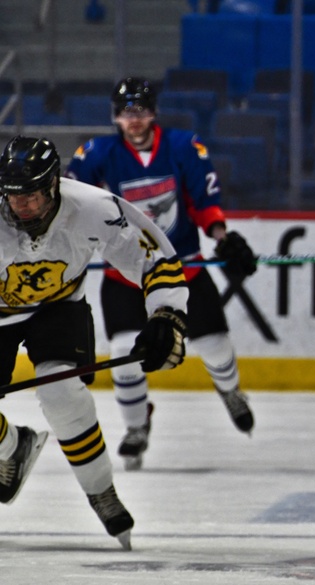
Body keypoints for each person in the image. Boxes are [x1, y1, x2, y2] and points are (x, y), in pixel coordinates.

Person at [0, 135, 189, 549]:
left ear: (53, 185)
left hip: (59, 306)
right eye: (13, 197)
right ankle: (13, 447)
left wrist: (166, 315)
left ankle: (101, 490)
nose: (22, 206)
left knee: (61, 391)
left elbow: (155, 258)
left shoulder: (95, 208)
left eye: (31, 195)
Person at [64, 76, 257, 471]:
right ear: (116, 117)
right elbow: (72, 207)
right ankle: (137, 427)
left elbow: (204, 201)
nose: (134, 120)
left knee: (216, 342)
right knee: (122, 352)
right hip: (126, 276)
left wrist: (222, 237)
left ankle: (231, 390)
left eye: (141, 111)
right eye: (125, 113)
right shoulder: (96, 154)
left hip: (180, 269)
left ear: (153, 112)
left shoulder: (185, 146)